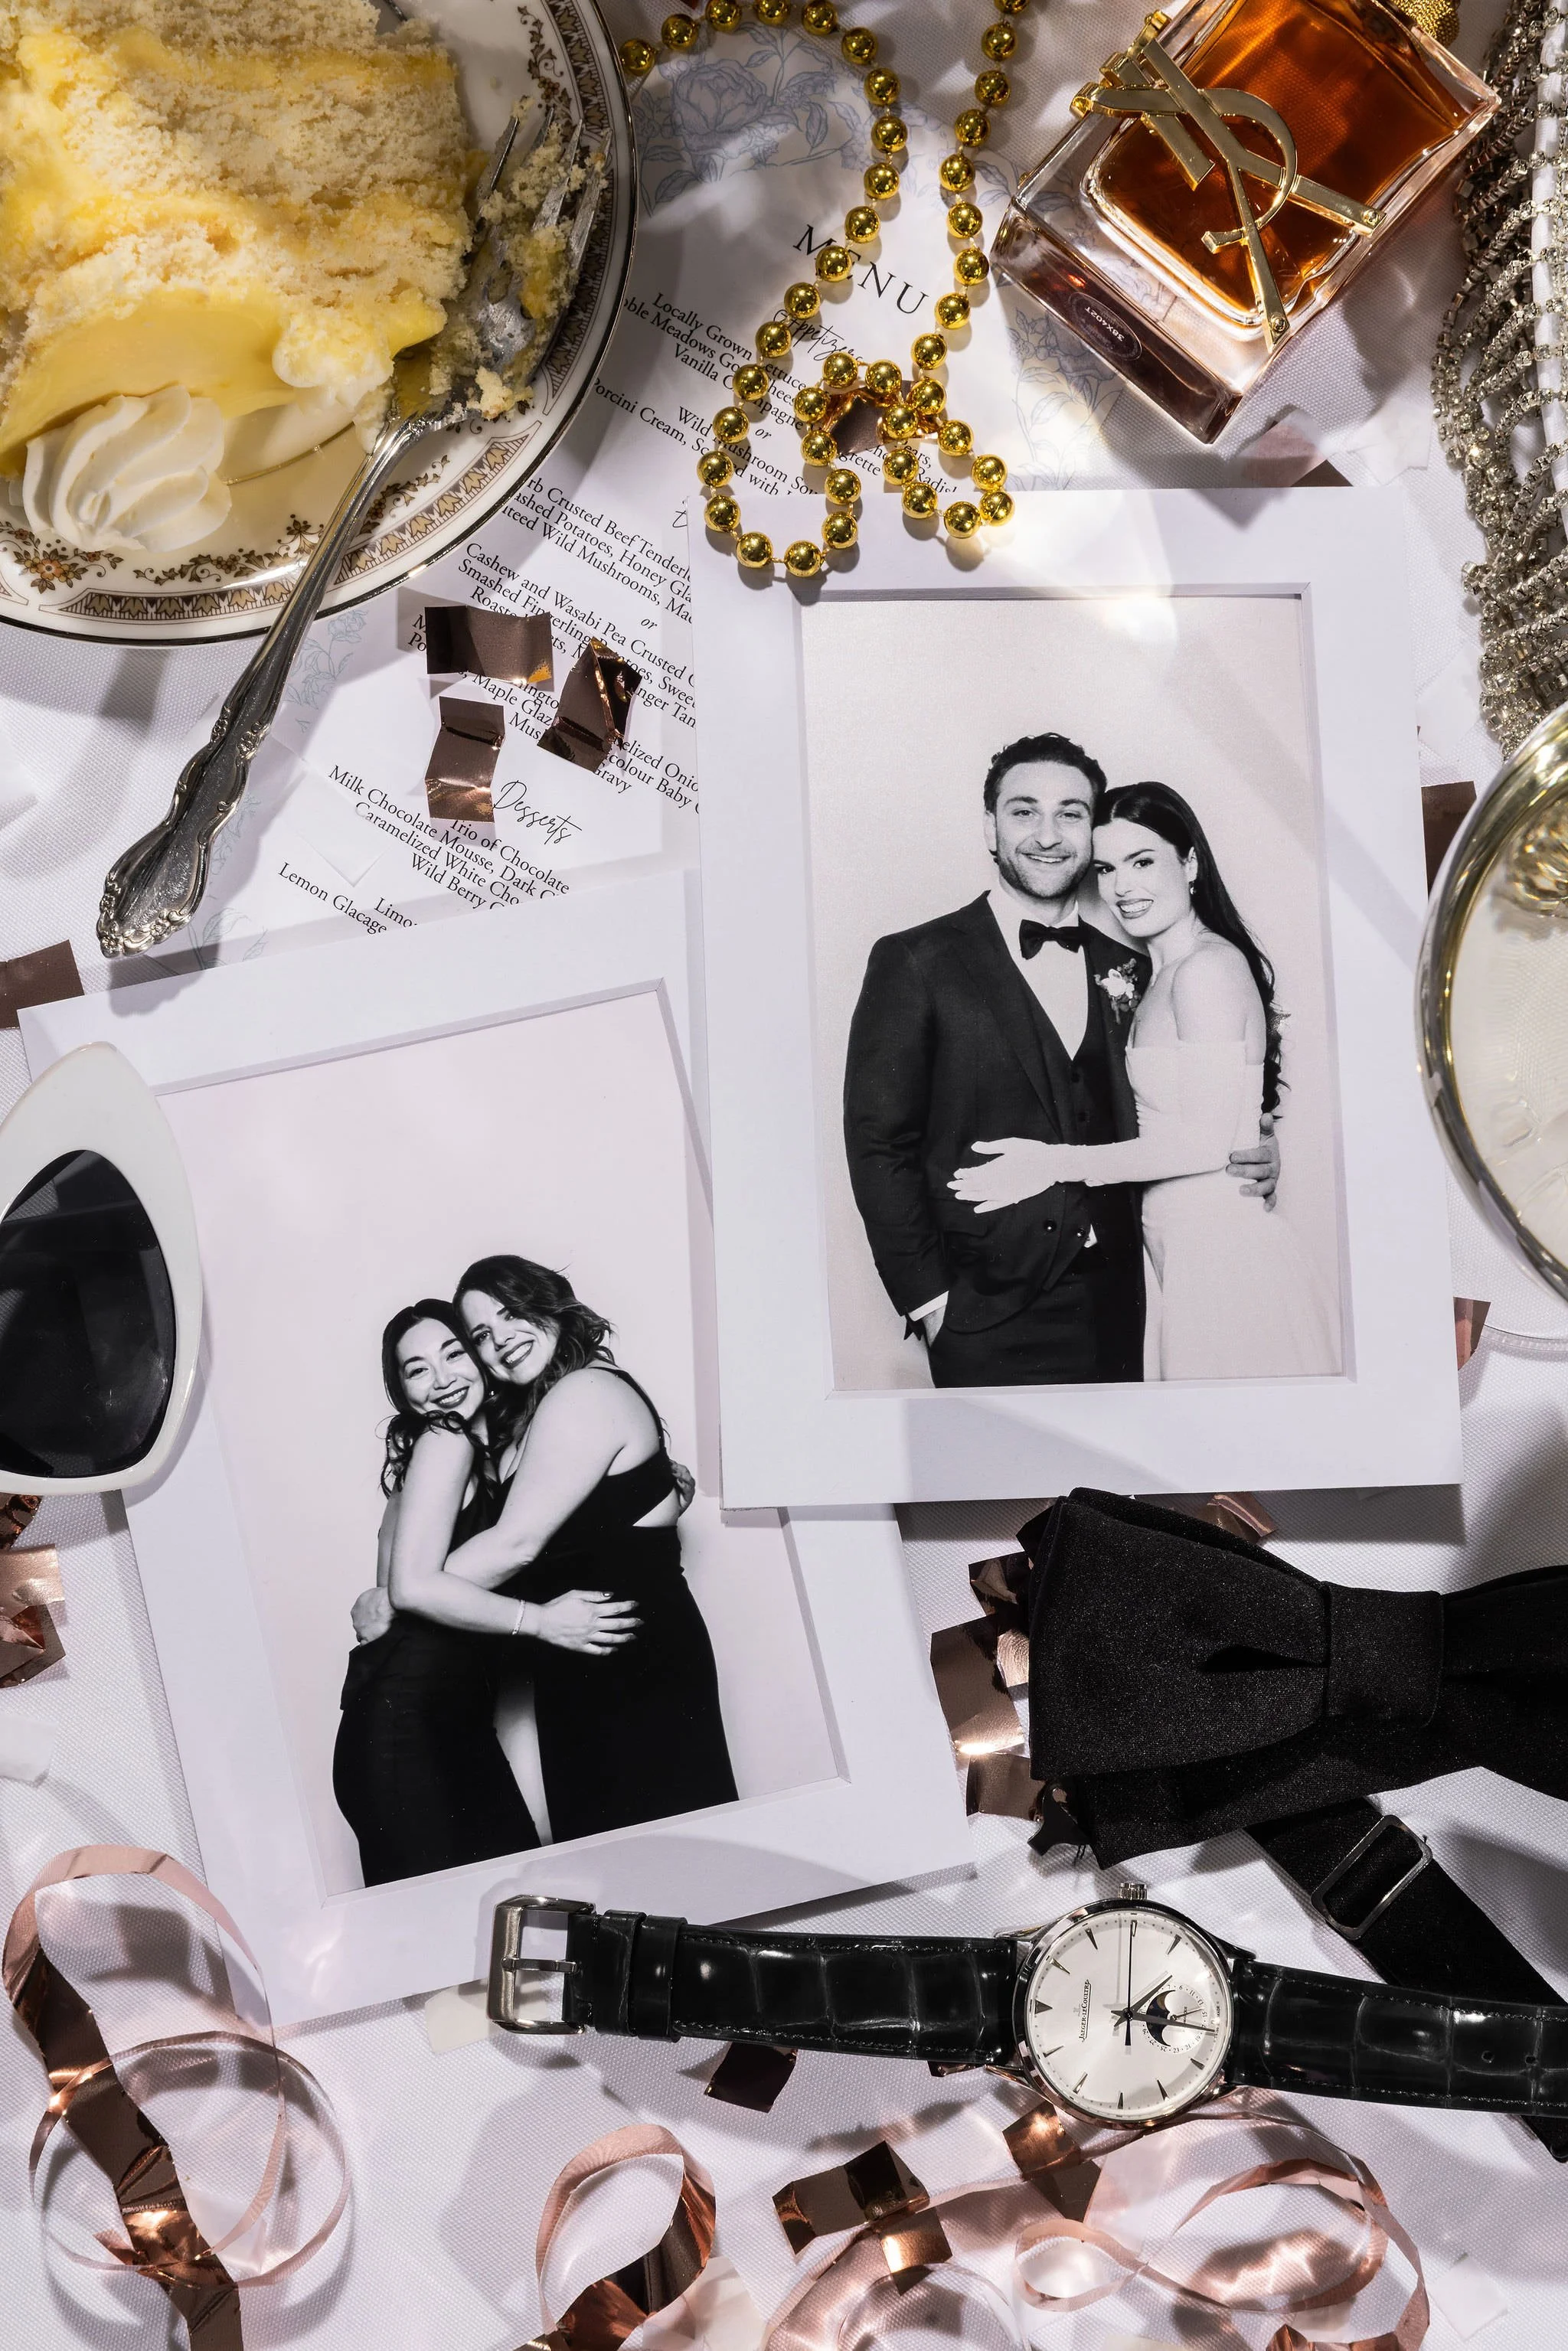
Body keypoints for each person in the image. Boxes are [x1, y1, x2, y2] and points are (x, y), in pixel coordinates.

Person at [842, 733, 1279, 1386]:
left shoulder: (1138, 969)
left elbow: (1190, 1101)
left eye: (1071, 813)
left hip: (1130, 1304)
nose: (1048, 834)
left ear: (1091, 832)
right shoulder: (914, 961)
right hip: (984, 1315)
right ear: (991, 828)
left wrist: (1253, 1139)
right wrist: (933, 1304)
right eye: (1024, 811)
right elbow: (878, 1142)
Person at [949, 784, 1338, 1380]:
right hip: (1175, 1257)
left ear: (1189, 863)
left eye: (1143, 861)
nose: (1123, 887)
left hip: (1222, 1258)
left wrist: (1053, 1162)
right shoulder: (1152, 973)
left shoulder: (1206, 969)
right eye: (1106, 868)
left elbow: (1205, 1144)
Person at [431, 1255, 737, 1842]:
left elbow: (514, 1544)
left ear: (547, 1301)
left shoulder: (584, 1389)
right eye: (482, 1336)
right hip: (578, 1666)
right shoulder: (532, 1417)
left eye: (511, 1312)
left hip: (636, 1663)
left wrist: (404, 1592)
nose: (501, 1340)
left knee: (669, 1867)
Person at [332, 1304, 632, 1886]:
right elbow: (405, 1595)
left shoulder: (478, 1453)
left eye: (453, 1354)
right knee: (460, 1940)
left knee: (504, 1922)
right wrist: (542, 1621)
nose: (443, 1379)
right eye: (417, 1370)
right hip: (409, 1733)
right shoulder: (445, 1442)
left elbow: (394, 1595)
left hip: (444, 1728)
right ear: (403, 1392)